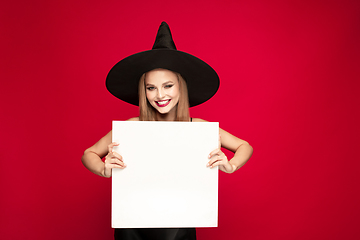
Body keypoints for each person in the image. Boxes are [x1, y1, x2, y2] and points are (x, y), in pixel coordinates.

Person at [81, 22, 253, 240]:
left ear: (181, 86)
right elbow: (88, 154)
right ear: (144, 92)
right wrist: (104, 169)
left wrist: (230, 166)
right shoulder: (133, 126)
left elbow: (244, 146)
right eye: (151, 88)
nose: (160, 95)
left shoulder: (197, 127)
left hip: (180, 224)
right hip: (132, 225)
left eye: (168, 86)